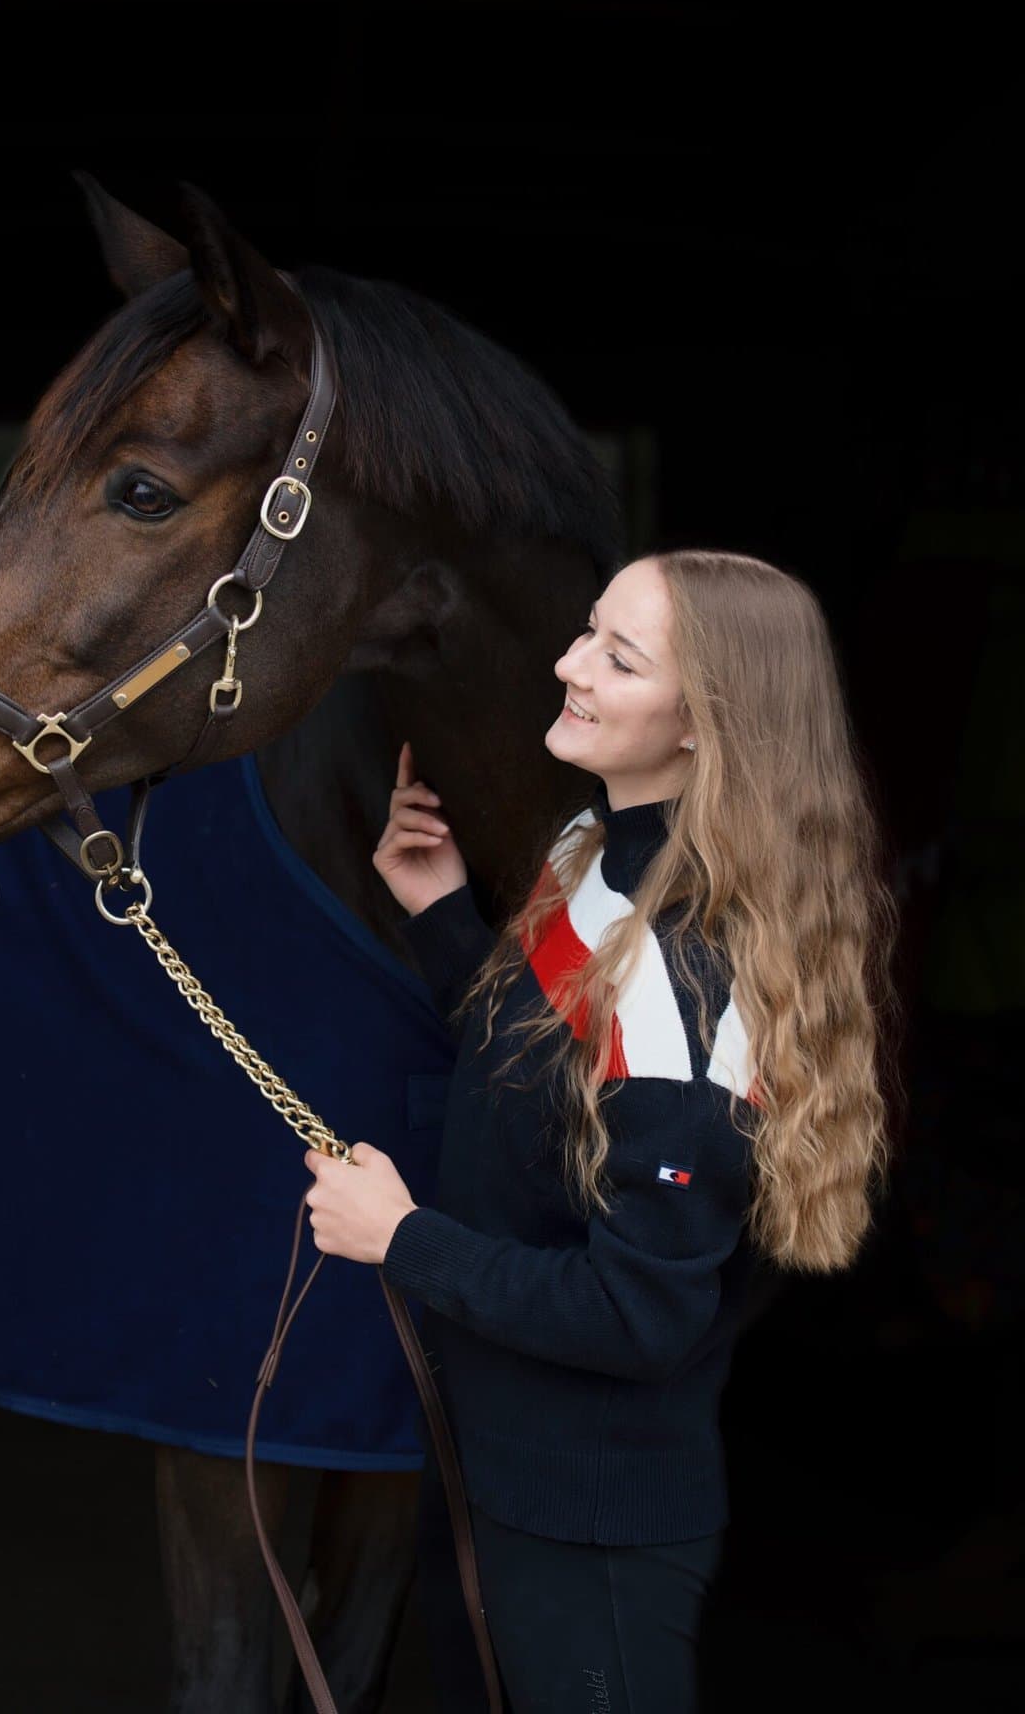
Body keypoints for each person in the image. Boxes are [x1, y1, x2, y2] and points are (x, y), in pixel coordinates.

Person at [302, 550, 897, 1712]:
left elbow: (639, 1314)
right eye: (586, 633)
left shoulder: (685, 978)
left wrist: (402, 1238)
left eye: (616, 658)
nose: (567, 666)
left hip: (586, 1525)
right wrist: (439, 921)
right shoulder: (593, 856)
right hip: (497, 1471)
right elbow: (546, 1074)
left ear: (701, 725)